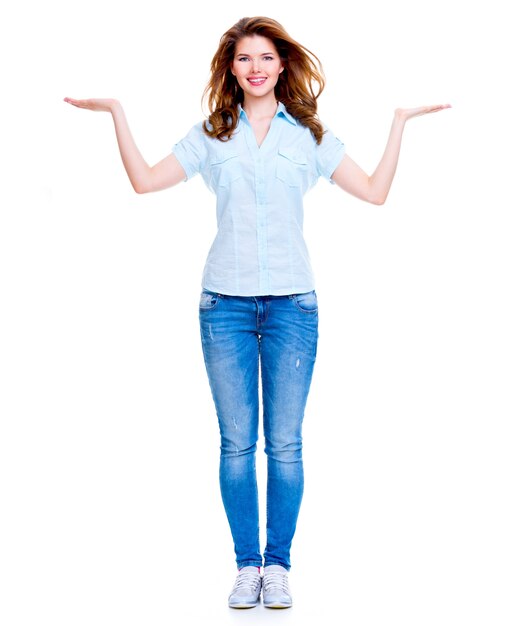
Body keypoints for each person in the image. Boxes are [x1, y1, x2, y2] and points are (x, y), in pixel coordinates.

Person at [64, 15, 450, 610]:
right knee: (237, 444)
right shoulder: (211, 135)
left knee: (287, 445)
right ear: (231, 69)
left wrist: (397, 123)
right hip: (225, 306)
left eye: (266, 57)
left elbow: (374, 191)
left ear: (283, 65)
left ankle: (280, 565)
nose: (256, 68)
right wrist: (117, 112)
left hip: (294, 304)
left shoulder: (310, 137)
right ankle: (248, 566)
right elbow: (143, 182)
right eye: (244, 59)